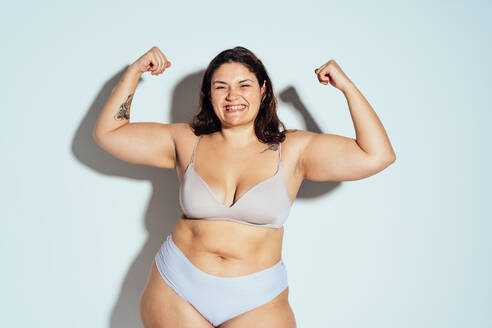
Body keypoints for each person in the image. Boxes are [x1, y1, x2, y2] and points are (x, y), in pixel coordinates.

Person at [93, 46, 396, 328]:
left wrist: (346, 87)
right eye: (220, 86)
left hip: (258, 299)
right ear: (209, 95)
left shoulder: (294, 149)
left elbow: (377, 155)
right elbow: (110, 133)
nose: (231, 95)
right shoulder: (186, 140)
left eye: (244, 84)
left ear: (263, 90)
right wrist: (134, 73)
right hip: (177, 286)